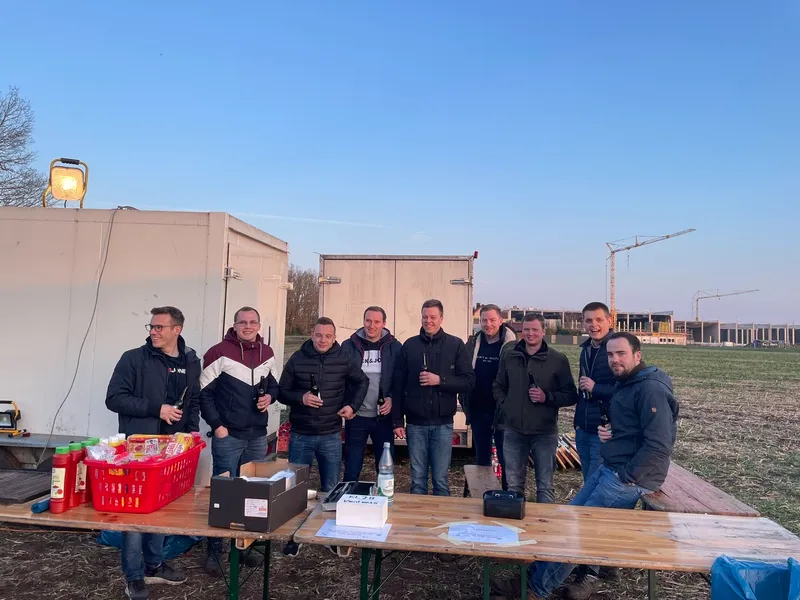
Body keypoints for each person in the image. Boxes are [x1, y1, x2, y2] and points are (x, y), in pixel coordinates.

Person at [490, 332, 680, 600]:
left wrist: (628, 475)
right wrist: (614, 433)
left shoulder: (650, 389)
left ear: (637, 355)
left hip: (626, 477)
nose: (614, 360)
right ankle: (531, 577)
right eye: (610, 355)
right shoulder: (629, 382)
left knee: (578, 532)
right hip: (612, 466)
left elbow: (659, 444)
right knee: (567, 522)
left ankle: (534, 590)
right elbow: (636, 429)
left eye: (621, 354)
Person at [106, 306, 198, 600]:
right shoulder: (133, 359)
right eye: (152, 326)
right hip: (139, 450)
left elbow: (193, 400)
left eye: (160, 327)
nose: (153, 332)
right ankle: (134, 576)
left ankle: (154, 565)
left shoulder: (190, 360)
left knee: (163, 506)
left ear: (176, 330)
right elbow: (114, 399)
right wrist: (156, 409)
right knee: (135, 509)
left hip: (173, 449)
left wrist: (191, 431)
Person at [199, 306, 280, 576]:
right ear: (234, 325)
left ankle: (243, 548)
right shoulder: (218, 352)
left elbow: (274, 386)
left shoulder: (267, 352)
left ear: (259, 325)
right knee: (223, 492)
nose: (247, 326)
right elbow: (204, 394)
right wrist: (217, 426)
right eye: (242, 322)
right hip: (229, 435)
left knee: (252, 493)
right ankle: (215, 551)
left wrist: (269, 397)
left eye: (252, 322)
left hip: (256, 435)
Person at [392, 299, 475, 496]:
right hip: (415, 425)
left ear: (441, 319)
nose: (428, 321)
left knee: (441, 480)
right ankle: (418, 516)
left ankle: (442, 516)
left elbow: (469, 381)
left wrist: (440, 380)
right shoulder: (410, 345)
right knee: (417, 480)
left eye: (433, 317)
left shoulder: (455, 345)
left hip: (443, 425)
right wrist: (397, 421)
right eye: (425, 317)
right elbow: (398, 385)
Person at [492, 313, 577, 503]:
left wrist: (546, 397)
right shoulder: (510, 356)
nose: (530, 334)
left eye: (535, 330)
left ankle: (544, 521)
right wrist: (506, 405)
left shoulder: (557, 359)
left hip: (544, 433)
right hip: (513, 431)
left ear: (543, 331)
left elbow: (571, 395)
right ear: (521, 332)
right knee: (514, 485)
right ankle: (515, 518)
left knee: (545, 487)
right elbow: (498, 385)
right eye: (526, 330)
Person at [279, 317, 369, 493]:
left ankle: (327, 511)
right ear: (312, 335)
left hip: (331, 435)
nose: (323, 340)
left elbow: (362, 381)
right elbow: (281, 391)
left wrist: (353, 406)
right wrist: (301, 398)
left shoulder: (343, 357)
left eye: (328, 336)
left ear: (334, 338)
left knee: (330, 488)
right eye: (319, 335)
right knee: (296, 489)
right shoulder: (297, 358)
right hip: (301, 435)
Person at [340, 306, 402, 481]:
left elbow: (399, 380)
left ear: (384, 323)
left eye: (376, 322)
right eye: (368, 321)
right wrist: (347, 404)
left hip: (383, 418)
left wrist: (391, 398)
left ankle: (384, 496)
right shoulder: (349, 346)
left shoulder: (395, 347)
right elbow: (341, 379)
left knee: (384, 469)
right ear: (363, 321)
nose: (371, 326)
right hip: (356, 416)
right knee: (352, 467)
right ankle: (349, 494)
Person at [463, 304, 517, 489]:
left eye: (492, 320)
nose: (488, 324)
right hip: (478, 409)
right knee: (482, 459)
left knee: (506, 458)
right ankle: (484, 495)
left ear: (501, 321)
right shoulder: (473, 343)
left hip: (503, 412)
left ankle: (508, 495)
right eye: (484, 320)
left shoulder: (512, 345)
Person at [574, 301, 615, 482]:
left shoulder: (616, 350)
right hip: (583, 428)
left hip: (604, 430)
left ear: (609, 321)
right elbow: (582, 389)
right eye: (588, 320)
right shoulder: (586, 350)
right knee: (588, 480)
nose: (594, 325)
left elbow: (626, 390)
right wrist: (578, 423)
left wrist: (596, 388)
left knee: (595, 483)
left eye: (599, 320)